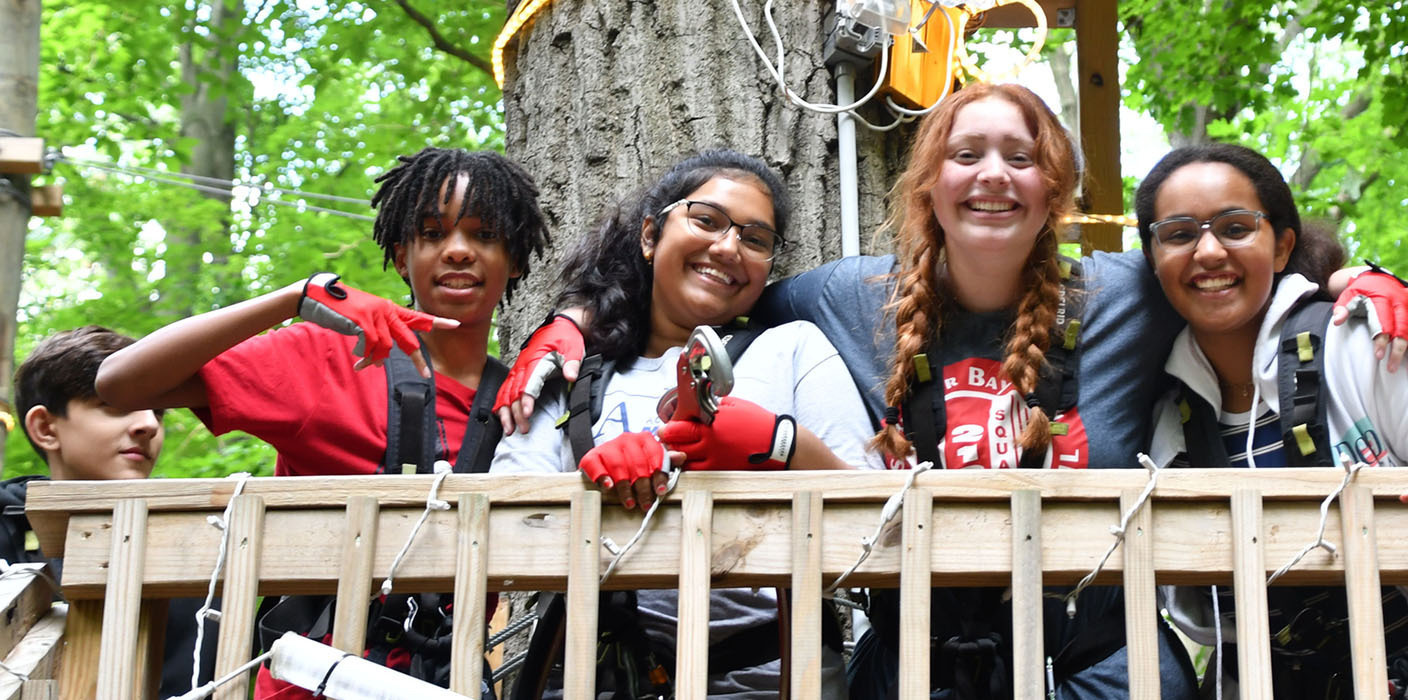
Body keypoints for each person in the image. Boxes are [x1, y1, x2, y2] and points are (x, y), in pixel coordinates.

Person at [492, 84, 1408, 698]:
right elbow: (705, 289)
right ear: (929, 186)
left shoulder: (1128, 293)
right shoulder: (839, 297)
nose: (993, 175)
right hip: (910, 668)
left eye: (1021, 157)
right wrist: (572, 321)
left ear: (1055, 186)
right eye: (967, 154)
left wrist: (1354, 283)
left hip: (1105, 669)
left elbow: (1238, 272)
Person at [96, 147, 550, 699]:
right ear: (402, 256)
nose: (457, 251)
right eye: (432, 233)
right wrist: (296, 298)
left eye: (483, 235)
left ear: (517, 258)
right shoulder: (325, 357)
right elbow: (118, 383)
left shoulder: (527, 402)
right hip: (304, 688)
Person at [1135, 142, 1408, 698]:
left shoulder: (1365, 338)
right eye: (1179, 234)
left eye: (1236, 227)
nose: (1209, 251)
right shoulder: (1158, 406)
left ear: (1283, 244)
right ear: (1151, 259)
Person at [491, 149, 872, 699]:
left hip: (772, 679)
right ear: (651, 235)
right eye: (706, 220)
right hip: (594, 677)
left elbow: (882, 524)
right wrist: (591, 490)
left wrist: (782, 445)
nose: (727, 247)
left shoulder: (793, 349)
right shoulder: (572, 371)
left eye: (755, 239)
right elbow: (504, 533)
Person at [12, 325, 217, 699]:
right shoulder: (6, 531)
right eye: (117, 406)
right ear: (45, 428)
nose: (149, 424)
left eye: (158, 409)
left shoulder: (201, 544)